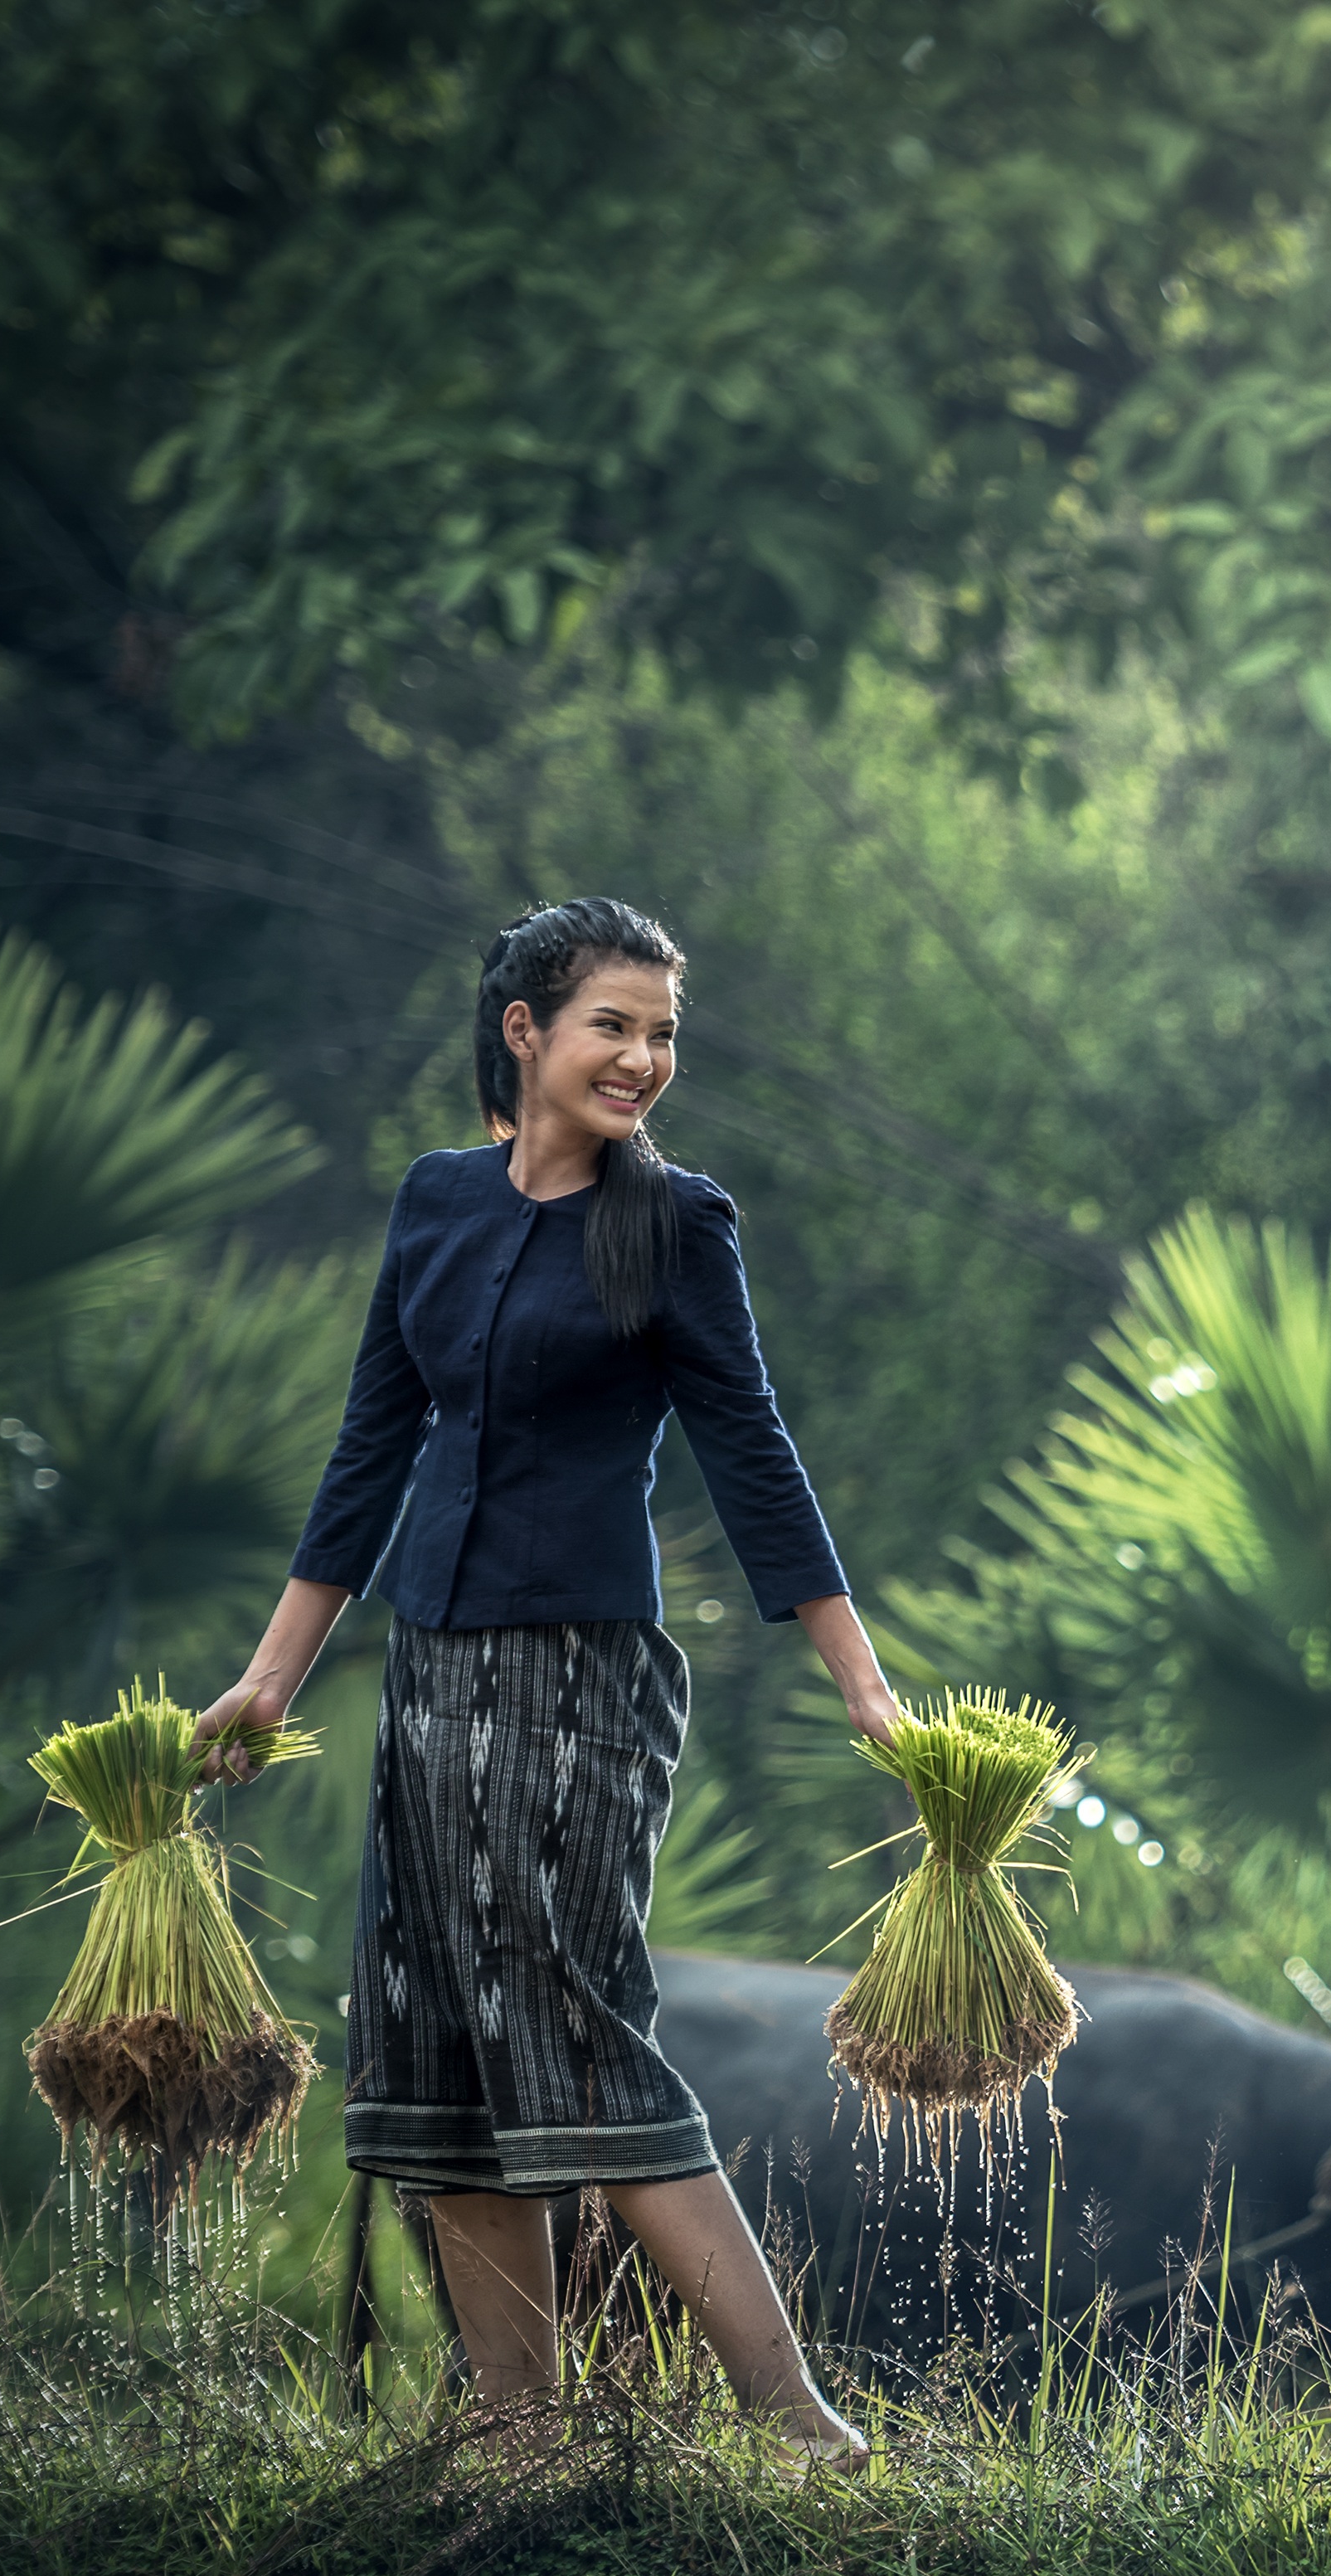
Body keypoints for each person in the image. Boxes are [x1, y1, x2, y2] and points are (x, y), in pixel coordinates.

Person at [194, 897, 899, 2471]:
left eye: (662, 1034)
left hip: (580, 1682)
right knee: (436, 2040)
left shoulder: (676, 1227)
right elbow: (373, 1449)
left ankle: (802, 2431)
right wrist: (270, 1677)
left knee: (575, 2029)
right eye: (613, 1026)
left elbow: (754, 1460)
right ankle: (521, 2436)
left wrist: (861, 1684)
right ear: (524, 1031)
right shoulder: (435, 1206)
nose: (644, 1059)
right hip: (433, 1678)